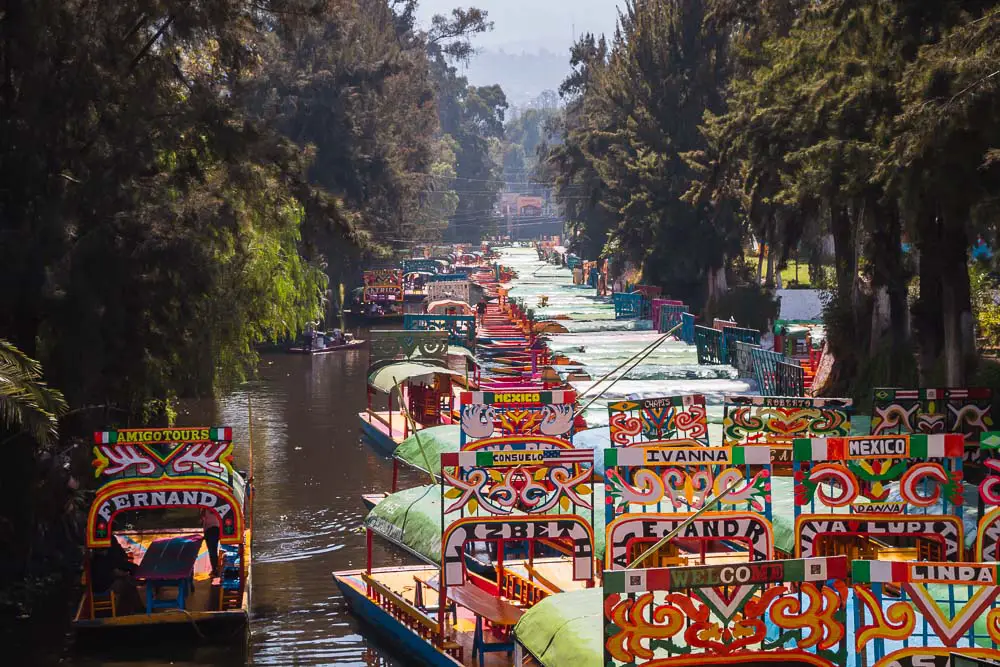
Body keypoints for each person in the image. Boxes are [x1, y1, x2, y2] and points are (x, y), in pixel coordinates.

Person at [90, 537, 142, 614]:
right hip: (102, 586)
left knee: (127, 582)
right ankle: (137, 611)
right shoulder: (108, 547)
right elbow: (118, 563)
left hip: (102, 583)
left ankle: (135, 610)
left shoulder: (103, 546)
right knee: (126, 584)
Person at [201, 509, 221, 576]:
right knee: (214, 550)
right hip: (217, 529)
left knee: (212, 551)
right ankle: (216, 568)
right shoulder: (216, 507)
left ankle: (215, 569)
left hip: (209, 530)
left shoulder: (205, 508)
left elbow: (203, 521)